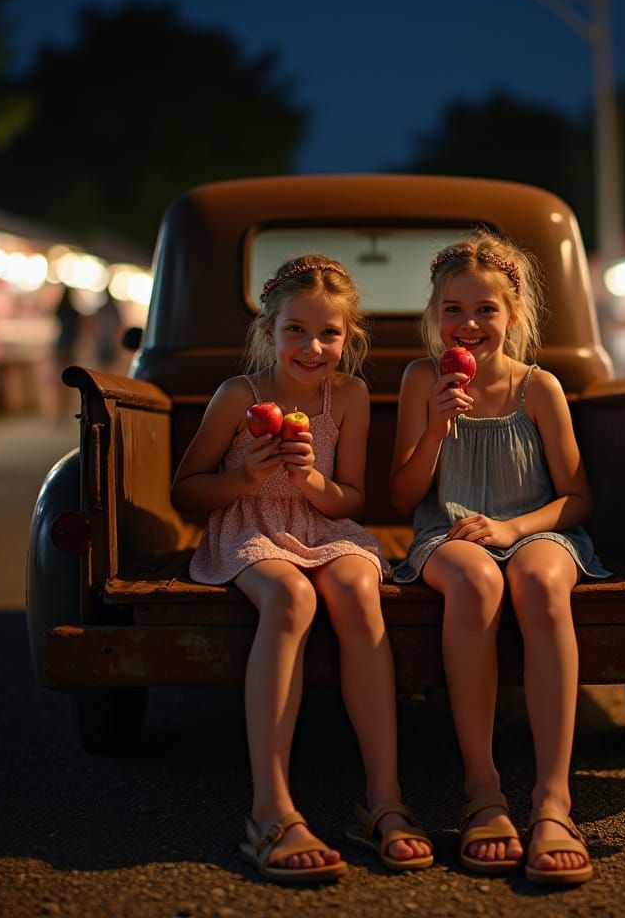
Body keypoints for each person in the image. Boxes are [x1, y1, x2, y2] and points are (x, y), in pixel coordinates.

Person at [171, 254, 432, 884]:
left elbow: (352, 499)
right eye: (296, 330)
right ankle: (271, 809)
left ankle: (382, 798)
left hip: (323, 524)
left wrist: (311, 477)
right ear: (269, 333)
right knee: (291, 599)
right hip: (249, 527)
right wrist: (246, 476)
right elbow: (186, 491)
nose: (313, 347)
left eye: (330, 333)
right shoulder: (241, 395)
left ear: (349, 338)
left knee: (357, 588)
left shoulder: (349, 395)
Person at [390, 230, 610, 886]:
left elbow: (576, 499)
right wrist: (434, 427)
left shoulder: (538, 387)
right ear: (436, 316)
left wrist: (514, 526)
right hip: (449, 535)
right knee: (477, 580)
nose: (468, 324)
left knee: (541, 581)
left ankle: (552, 799)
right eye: (453, 310)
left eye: (485, 309)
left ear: (513, 316)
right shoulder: (420, 379)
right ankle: (483, 789)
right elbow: (404, 496)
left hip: (534, 528)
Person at [53, 286, 82, 421]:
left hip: (60, 346)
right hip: (72, 347)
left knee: (59, 380)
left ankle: (59, 411)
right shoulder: (75, 312)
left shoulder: (59, 309)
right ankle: (66, 409)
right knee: (70, 380)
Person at [94, 288, 123, 372]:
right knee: (104, 364)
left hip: (107, 341)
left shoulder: (105, 309)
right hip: (105, 341)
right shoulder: (112, 309)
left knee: (105, 364)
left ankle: (103, 380)